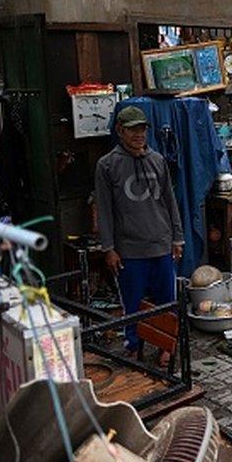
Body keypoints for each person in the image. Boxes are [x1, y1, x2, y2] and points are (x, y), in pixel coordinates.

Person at [95, 106, 184, 363]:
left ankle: (167, 346)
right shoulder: (107, 165)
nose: (138, 134)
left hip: (161, 244)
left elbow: (170, 201)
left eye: (142, 128)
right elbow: (104, 209)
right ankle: (133, 346)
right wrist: (108, 248)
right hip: (129, 249)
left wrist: (177, 238)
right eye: (133, 129)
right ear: (120, 131)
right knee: (132, 305)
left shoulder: (157, 160)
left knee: (166, 303)